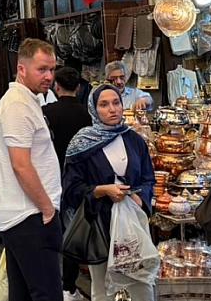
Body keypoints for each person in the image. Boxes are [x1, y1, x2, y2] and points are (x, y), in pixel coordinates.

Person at [62, 84, 156, 301]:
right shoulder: (81, 144)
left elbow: (148, 178)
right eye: (104, 105)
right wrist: (101, 191)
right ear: (94, 109)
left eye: (116, 103)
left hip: (133, 222)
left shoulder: (134, 140)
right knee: (103, 288)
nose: (112, 109)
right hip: (100, 224)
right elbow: (71, 189)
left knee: (140, 283)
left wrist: (139, 198)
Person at [0, 38, 63, 301]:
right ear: (22, 69)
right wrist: (46, 208)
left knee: (22, 294)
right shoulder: (17, 105)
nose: (48, 76)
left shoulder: (28, 100)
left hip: (26, 214)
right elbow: (20, 165)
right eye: (42, 69)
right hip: (30, 215)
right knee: (47, 294)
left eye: (52, 69)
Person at [43, 66, 93, 301]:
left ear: (56, 86)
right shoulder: (87, 115)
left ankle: (50, 282)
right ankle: (68, 287)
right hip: (78, 179)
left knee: (51, 229)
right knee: (73, 232)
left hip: (50, 178)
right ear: (79, 88)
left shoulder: (46, 113)